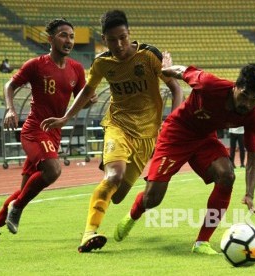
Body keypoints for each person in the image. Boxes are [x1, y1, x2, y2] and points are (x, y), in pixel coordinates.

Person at [41, 10, 182, 253]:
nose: (118, 45)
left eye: (123, 38)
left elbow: (176, 88)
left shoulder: (149, 56)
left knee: (117, 195)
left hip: (147, 136)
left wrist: (174, 123)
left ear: (130, 35)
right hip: (118, 126)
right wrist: (66, 117)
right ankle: (88, 234)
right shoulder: (102, 63)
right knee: (114, 176)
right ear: (104, 39)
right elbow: (86, 91)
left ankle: (111, 169)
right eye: (112, 40)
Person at [112, 63, 255, 255]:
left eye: (254, 99)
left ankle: (202, 242)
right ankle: (133, 215)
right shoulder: (209, 84)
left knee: (227, 175)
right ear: (235, 87)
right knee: (153, 198)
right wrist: (163, 69)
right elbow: (181, 72)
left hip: (205, 138)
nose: (247, 103)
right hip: (176, 134)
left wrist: (249, 194)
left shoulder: (253, 114)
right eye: (244, 95)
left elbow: (253, 159)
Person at [0, 18, 90, 242]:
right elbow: (9, 85)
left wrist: (89, 100)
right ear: (50, 39)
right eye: (63, 35)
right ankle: (17, 208)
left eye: (71, 36)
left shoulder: (77, 69)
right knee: (53, 171)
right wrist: (11, 110)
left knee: (26, 189)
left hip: (54, 133)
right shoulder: (36, 65)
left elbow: (82, 99)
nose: (68, 40)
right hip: (34, 130)